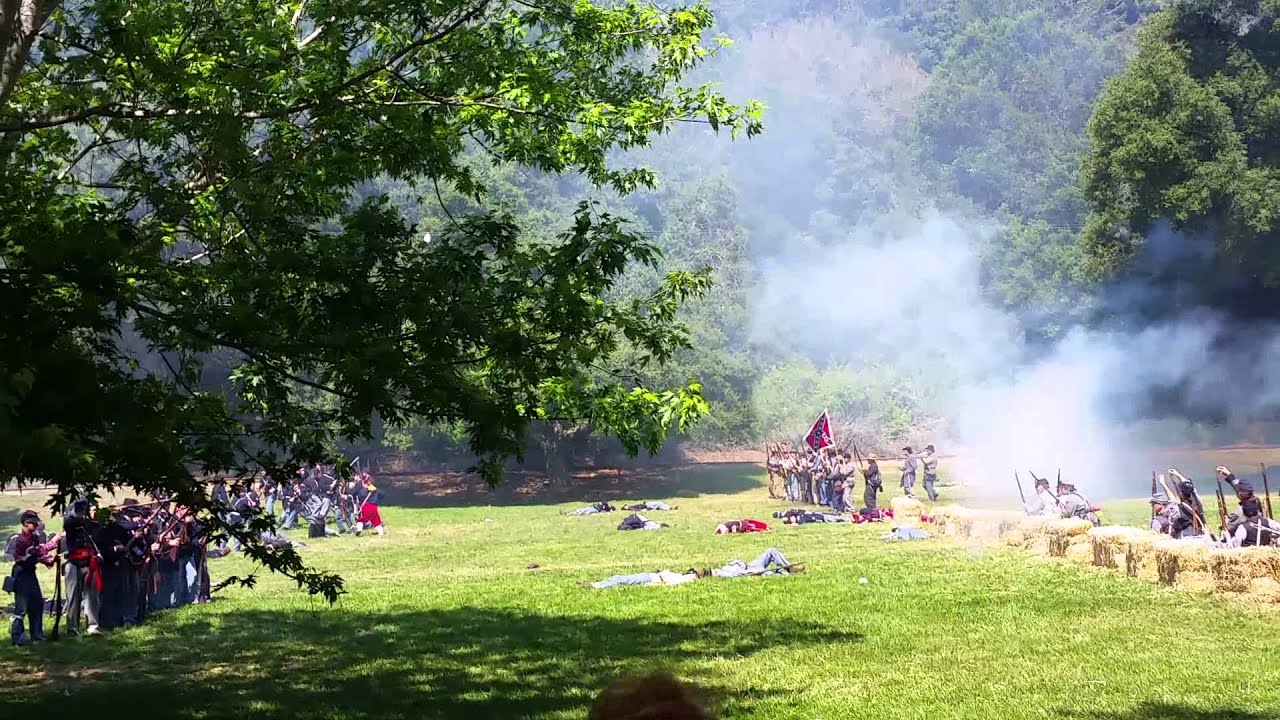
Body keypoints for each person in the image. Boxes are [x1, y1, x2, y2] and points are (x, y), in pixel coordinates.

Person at [8, 510, 57, 646]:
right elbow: (37, 552)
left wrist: (50, 561)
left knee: (36, 603)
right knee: (21, 608)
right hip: (21, 574)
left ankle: (37, 634)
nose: (36, 526)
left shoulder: (34, 538)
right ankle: (17, 637)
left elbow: (39, 555)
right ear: (26, 524)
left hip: (30, 573)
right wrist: (52, 544)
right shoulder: (22, 540)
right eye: (33, 523)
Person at [63, 498, 103, 636]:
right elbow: (71, 523)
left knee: (92, 596)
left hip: (89, 562)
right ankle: (72, 628)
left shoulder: (91, 525)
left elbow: (98, 528)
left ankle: (93, 626)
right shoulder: (71, 522)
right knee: (73, 596)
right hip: (74, 563)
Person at [705, 547, 803, 578]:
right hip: (752, 570)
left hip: (751, 565)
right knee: (769, 573)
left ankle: (790, 568)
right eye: (711, 571)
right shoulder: (725, 574)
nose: (714, 570)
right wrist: (755, 572)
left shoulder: (724, 569)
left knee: (771, 550)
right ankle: (787, 575)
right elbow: (741, 573)